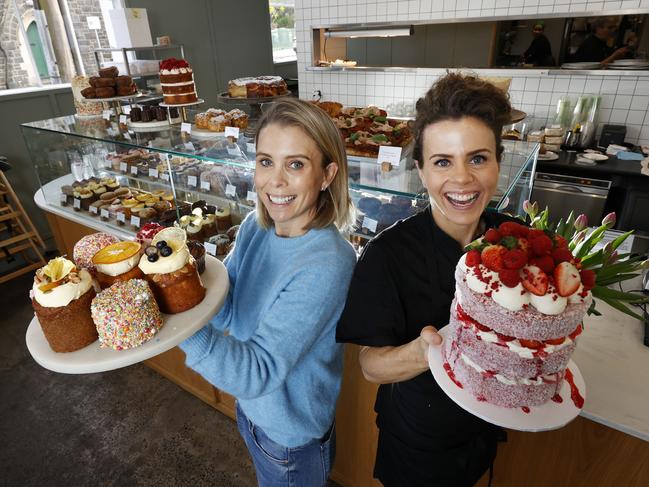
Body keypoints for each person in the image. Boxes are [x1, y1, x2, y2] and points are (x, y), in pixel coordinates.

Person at [336, 73, 516, 487]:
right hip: (420, 443)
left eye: (477, 158)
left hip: (486, 425)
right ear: (420, 169)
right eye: (442, 161)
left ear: (498, 162)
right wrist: (427, 351)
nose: (462, 179)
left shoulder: (511, 240)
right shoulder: (388, 255)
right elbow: (371, 367)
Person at [180, 98, 357, 486]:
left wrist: (177, 320)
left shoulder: (328, 263)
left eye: (295, 164)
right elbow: (226, 311)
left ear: (327, 174)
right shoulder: (256, 227)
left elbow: (258, 371)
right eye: (265, 161)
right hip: (254, 413)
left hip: (290, 438)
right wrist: (178, 276)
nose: (275, 181)